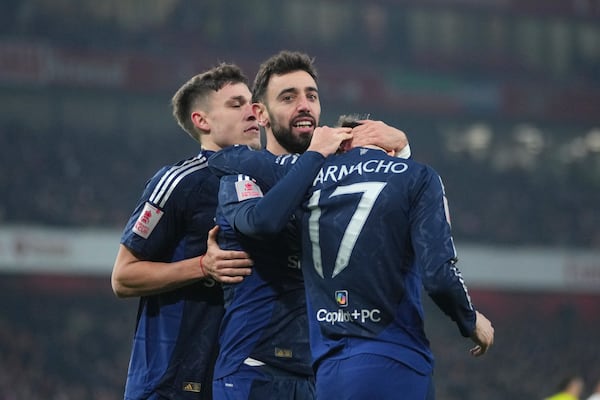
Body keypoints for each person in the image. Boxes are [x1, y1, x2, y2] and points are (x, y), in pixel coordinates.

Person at [209, 112, 494, 400]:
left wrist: (315, 152)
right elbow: (439, 277)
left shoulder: (308, 176)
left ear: (340, 142)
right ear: (392, 150)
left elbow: (223, 158)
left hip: (330, 373)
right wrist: (470, 321)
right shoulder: (418, 177)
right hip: (397, 363)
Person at [206, 51, 410, 400]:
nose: (304, 105)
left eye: (311, 96)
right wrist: (316, 154)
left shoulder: (334, 183)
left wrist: (402, 151)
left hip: (321, 378)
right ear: (261, 114)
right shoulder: (243, 173)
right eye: (288, 97)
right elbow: (265, 222)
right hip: (254, 372)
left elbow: (406, 231)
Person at [111, 63, 258, 400]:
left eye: (252, 103)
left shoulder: (268, 186)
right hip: (171, 383)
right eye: (236, 104)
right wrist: (203, 266)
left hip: (238, 381)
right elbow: (123, 276)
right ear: (202, 121)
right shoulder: (180, 182)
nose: (251, 111)